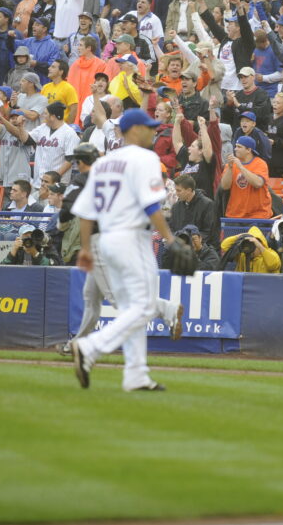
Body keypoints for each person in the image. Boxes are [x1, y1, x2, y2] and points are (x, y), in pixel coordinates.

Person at [70, 109, 180, 392]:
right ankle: (90, 347)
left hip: (107, 240)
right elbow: (151, 205)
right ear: (133, 130)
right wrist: (170, 239)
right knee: (144, 306)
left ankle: (136, 374)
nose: (153, 131)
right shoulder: (145, 158)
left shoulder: (104, 162)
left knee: (132, 309)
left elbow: (85, 212)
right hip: (132, 238)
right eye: (149, 127)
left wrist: (86, 249)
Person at [220, 135, 272, 220]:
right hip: (234, 214)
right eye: (235, 146)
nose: (235, 149)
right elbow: (225, 186)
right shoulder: (231, 164)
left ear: (248, 150)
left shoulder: (260, 164)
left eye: (239, 147)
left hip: (258, 215)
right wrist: (229, 168)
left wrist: (241, 167)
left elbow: (258, 183)